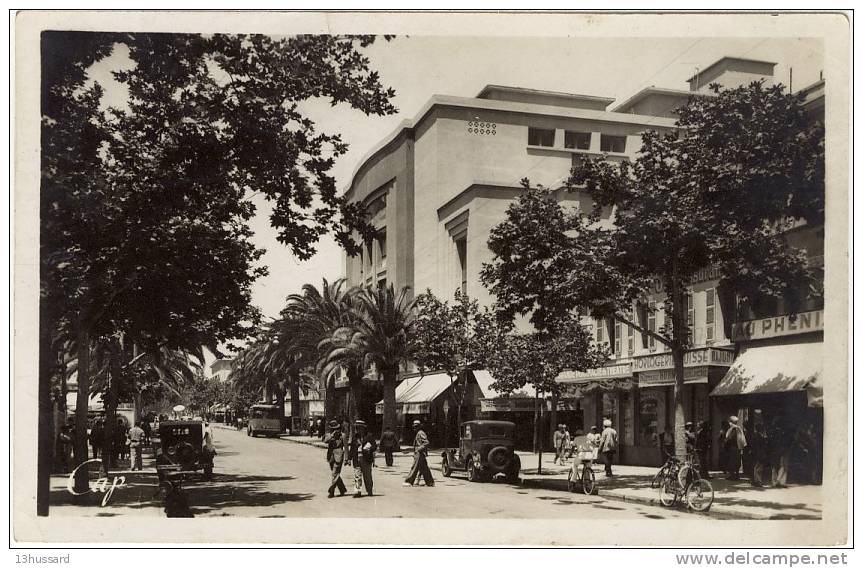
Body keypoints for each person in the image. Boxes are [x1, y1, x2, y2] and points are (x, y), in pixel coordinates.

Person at [348, 420, 375, 497]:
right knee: (357, 476)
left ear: (363, 428)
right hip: (357, 459)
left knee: (367, 476)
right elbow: (352, 449)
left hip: (366, 458)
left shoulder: (369, 436)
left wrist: (370, 448)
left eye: (359, 428)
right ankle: (357, 491)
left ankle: (369, 490)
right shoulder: (355, 437)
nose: (357, 429)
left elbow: (374, 446)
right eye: (357, 428)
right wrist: (349, 459)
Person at [404, 420, 435, 487]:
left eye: (416, 427)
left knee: (414, 467)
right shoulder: (419, 433)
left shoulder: (420, 433)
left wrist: (419, 449)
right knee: (424, 468)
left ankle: (409, 481)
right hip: (420, 453)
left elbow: (426, 442)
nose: (414, 428)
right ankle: (430, 482)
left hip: (420, 453)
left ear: (419, 427)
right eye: (414, 427)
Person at [325, 420, 347, 498]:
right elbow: (325, 441)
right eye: (333, 429)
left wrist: (346, 459)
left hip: (339, 455)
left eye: (337, 428)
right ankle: (342, 489)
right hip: (331, 456)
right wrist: (332, 435)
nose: (335, 430)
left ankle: (331, 491)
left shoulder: (343, 435)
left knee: (334, 473)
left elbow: (346, 447)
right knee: (336, 474)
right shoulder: (329, 435)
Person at [725, 415, 747, 480]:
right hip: (738, 447)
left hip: (734, 447)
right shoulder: (739, 428)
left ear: (731, 422)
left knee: (732, 462)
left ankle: (733, 475)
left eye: (730, 421)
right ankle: (736, 475)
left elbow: (730, 437)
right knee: (737, 462)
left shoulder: (733, 429)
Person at [749, 418, 769, 487]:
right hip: (759, 453)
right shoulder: (760, 436)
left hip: (756, 453)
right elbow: (763, 445)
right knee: (758, 468)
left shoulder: (755, 436)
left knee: (756, 467)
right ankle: (757, 481)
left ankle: (755, 481)